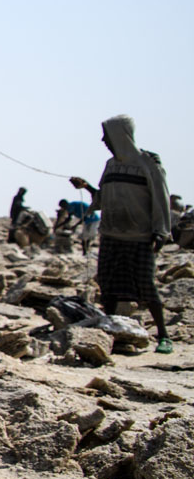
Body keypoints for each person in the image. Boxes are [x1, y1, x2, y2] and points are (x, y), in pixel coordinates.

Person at [70, 114, 172, 353]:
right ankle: (111, 332)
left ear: (120, 135)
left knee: (146, 286)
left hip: (139, 236)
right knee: (108, 284)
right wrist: (86, 187)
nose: (103, 140)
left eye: (106, 135)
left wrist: (160, 231)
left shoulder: (149, 164)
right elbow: (104, 198)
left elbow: (161, 198)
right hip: (111, 235)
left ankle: (164, 336)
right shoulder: (111, 165)